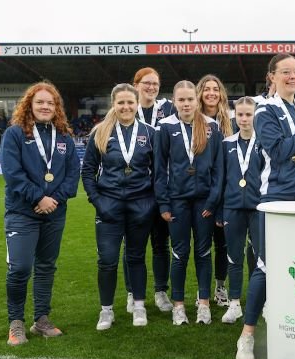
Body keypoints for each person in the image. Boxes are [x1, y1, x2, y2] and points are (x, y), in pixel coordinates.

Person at [235, 53, 295, 359]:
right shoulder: (264, 109)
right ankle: (247, 335)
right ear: (272, 77)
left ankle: (293, 327)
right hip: (277, 200)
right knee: (266, 266)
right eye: (286, 72)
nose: (293, 77)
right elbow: (278, 153)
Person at [0, 82, 80, 345]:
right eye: (40, 102)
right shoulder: (14, 134)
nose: (45, 106)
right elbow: (12, 175)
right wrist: (39, 198)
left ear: (56, 108)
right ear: (29, 106)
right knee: (20, 267)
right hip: (22, 212)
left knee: (46, 267)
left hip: (54, 212)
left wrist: (53, 200)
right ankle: (16, 322)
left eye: (50, 103)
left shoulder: (65, 138)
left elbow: (72, 176)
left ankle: (41, 319)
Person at [81, 84, 158, 329]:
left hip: (140, 207)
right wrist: (98, 201)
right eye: (121, 102)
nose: (126, 107)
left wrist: (151, 203)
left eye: (130, 102)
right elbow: (88, 171)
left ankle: (138, 306)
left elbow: (159, 173)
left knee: (136, 257)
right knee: (107, 260)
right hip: (109, 207)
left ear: (137, 104)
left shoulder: (150, 133)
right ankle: (106, 311)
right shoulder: (100, 132)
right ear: (113, 104)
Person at [154, 80, 224, 325]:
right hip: (177, 201)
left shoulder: (211, 126)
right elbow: (160, 169)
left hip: (204, 202)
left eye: (190, 99)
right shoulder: (164, 127)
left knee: (204, 253)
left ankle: (203, 304)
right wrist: (164, 204)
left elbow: (218, 169)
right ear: (174, 101)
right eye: (181, 99)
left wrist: (213, 201)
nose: (186, 104)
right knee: (179, 253)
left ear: (197, 100)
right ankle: (179, 305)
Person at [129, 67, 175, 314]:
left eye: (155, 84)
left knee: (161, 244)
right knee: (133, 246)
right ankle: (131, 293)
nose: (151, 87)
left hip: (161, 187)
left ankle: (160, 291)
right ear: (136, 84)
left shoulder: (168, 109)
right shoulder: (125, 107)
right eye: (146, 83)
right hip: (134, 189)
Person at [220, 97, 265, 323]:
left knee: (261, 259)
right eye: (241, 115)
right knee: (233, 257)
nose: (245, 119)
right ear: (234, 116)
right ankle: (235, 303)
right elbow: (220, 178)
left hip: (259, 209)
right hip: (233, 208)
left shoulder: (265, 143)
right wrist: (220, 210)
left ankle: (264, 303)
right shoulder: (226, 144)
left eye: (249, 114)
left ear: (255, 116)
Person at [196, 74, 232, 308]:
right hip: (204, 193)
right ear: (200, 93)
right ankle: (202, 293)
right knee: (202, 245)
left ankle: (220, 287)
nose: (211, 93)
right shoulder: (192, 121)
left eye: (215, 89)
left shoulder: (230, 120)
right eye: (206, 89)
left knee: (223, 244)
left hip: (228, 193)